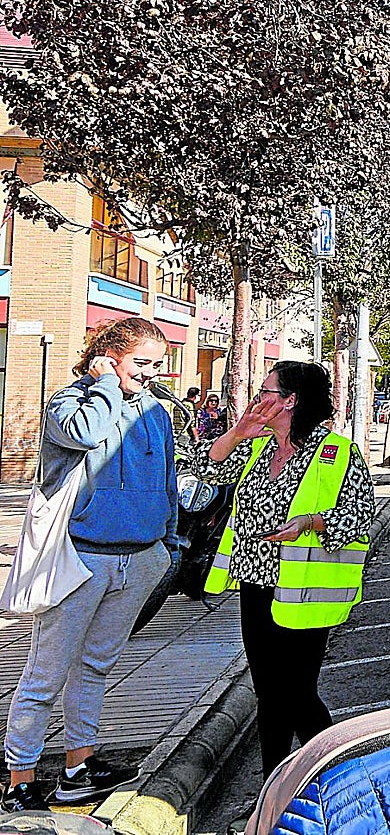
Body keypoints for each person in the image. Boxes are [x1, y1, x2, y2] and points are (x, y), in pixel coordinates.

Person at [2, 318, 177, 812]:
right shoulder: (69, 403)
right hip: (79, 559)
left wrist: (169, 543)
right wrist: (103, 385)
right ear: (108, 356)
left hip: (139, 557)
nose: (149, 375)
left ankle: (79, 767)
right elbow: (84, 433)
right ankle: (20, 778)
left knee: (95, 667)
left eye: (156, 366)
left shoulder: (156, 413)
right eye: (141, 364)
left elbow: (166, 477)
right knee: (45, 673)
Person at [195, 361, 374, 777]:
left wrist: (310, 523)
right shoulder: (256, 448)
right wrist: (238, 431)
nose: (259, 400)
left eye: (267, 392)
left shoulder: (335, 452)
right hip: (255, 583)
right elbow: (208, 468)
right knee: (268, 694)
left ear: (290, 400)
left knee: (297, 693)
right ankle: (273, 787)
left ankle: (340, 776)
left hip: (304, 590)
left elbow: (359, 513)